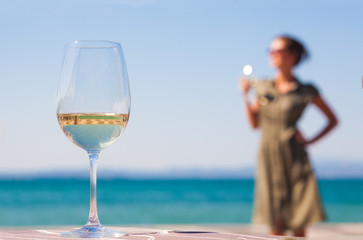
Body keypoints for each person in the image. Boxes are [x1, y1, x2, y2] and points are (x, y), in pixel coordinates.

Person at [240, 35, 338, 237]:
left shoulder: (305, 90)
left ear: (292, 56)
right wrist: (245, 95)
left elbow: (332, 120)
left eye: (278, 51)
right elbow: (254, 124)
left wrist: (310, 140)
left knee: (298, 217)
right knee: (274, 218)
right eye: (271, 50)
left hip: (295, 155)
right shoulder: (264, 87)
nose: (272, 55)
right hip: (268, 154)